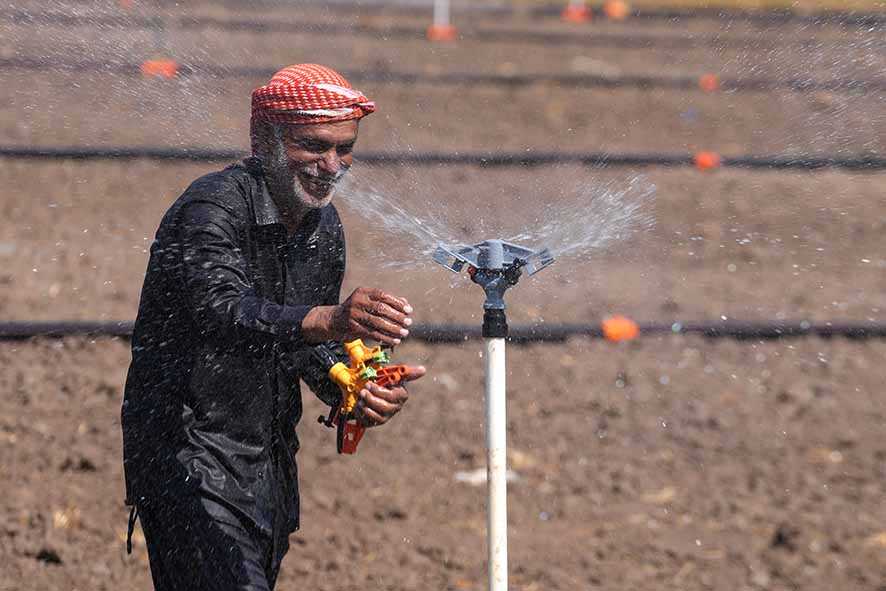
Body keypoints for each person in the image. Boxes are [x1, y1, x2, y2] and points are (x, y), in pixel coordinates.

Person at [121, 63, 427, 591]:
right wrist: (332, 319)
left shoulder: (323, 227)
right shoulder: (212, 207)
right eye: (312, 146)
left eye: (344, 148)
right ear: (264, 139)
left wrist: (351, 386)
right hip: (188, 454)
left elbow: (299, 342)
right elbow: (222, 313)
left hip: (268, 463)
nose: (331, 165)